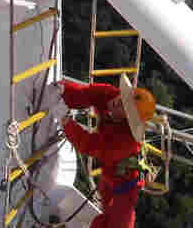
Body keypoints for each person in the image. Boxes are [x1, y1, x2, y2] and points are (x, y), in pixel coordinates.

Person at [51, 75, 156, 228]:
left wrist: (66, 121)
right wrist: (64, 90)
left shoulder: (125, 141)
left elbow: (88, 144)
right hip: (109, 175)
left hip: (126, 187)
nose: (118, 102)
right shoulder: (110, 94)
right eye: (125, 97)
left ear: (129, 120)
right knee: (105, 214)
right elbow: (85, 94)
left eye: (125, 107)